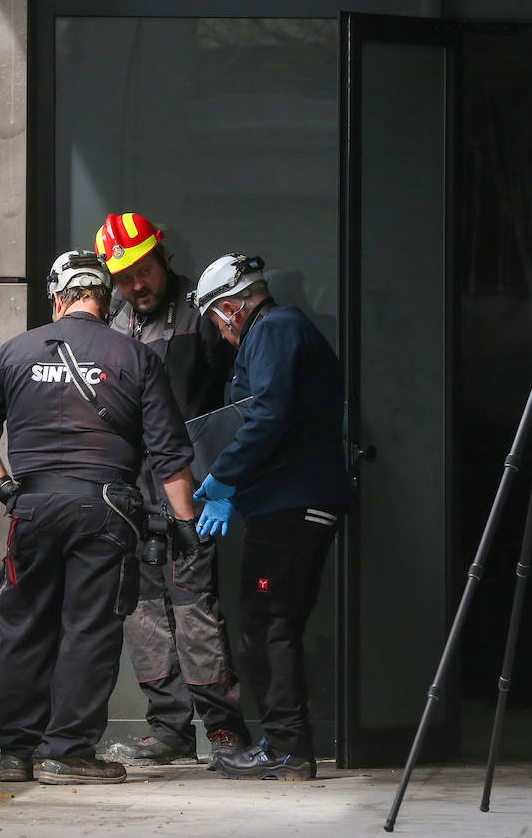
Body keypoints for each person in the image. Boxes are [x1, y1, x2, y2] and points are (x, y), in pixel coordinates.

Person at [0, 250, 199, 786]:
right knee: (88, 629)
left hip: (33, 505)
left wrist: (4, 487)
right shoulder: (135, 356)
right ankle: (67, 752)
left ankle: (15, 752)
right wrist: (185, 525)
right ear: (104, 298)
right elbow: (169, 453)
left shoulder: (15, 351)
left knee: (23, 627)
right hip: (107, 509)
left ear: (57, 296)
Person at [187, 253, 351, 781]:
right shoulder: (285, 330)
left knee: (268, 623)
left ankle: (287, 749)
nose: (221, 334)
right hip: (290, 501)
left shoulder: (275, 330)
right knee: (273, 622)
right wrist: (237, 489)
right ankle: (287, 746)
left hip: (291, 506)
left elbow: (267, 415)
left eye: (217, 321)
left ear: (231, 308)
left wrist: (224, 478)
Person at [94, 212, 250, 766]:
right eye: (123, 276)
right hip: (127, 492)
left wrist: (225, 474)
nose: (136, 284)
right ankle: (169, 728)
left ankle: (224, 728)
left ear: (164, 258)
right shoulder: (108, 325)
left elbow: (240, 393)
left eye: (144, 270)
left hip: (188, 485)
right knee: (141, 609)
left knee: (194, 606)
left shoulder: (200, 315)